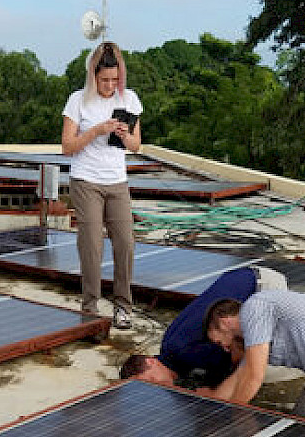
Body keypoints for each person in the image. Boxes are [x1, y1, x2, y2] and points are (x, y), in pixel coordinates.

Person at [62, 41, 142, 329]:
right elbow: (67, 147)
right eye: (104, 80)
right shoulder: (78, 100)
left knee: (125, 244)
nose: (110, 85)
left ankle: (123, 306)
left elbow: (136, 146)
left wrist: (123, 134)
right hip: (86, 181)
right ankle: (90, 307)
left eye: (115, 79)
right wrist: (96, 130)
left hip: (117, 181)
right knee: (92, 246)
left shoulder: (129, 99)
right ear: (93, 76)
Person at [204, 291, 305, 430]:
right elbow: (240, 376)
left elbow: (253, 376)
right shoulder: (256, 337)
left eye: (218, 342)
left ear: (224, 322)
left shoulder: (254, 309)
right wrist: (211, 402)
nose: (224, 349)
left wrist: (235, 418)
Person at [119, 265, 287, 387]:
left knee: (265, 366)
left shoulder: (186, 354)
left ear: (151, 362)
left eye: (152, 380)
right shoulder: (170, 346)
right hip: (243, 275)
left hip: (261, 286)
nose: (156, 386)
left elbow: (233, 363)